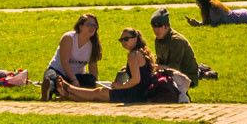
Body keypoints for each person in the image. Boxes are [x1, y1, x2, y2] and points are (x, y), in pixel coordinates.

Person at [47, 27, 177, 104]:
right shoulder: (143, 51)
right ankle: (67, 93)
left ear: (135, 38)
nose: (123, 42)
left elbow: (136, 80)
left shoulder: (133, 55)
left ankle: (68, 88)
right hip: (142, 91)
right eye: (121, 40)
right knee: (98, 94)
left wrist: (120, 86)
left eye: (126, 39)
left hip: (134, 93)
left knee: (98, 93)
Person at [149, 7, 215, 84]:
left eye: (158, 27)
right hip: (170, 74)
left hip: (187, 77)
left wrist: (154, 67)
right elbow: (160, 60)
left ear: (166, 26)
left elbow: (173, 68)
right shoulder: (158, 39)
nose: (155, 30)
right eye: (154, 27)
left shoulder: (176, 41)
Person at [48, 14, 103, 89]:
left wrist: (95, 86)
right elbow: (65, 62)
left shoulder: (93, 45)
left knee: (91, 80)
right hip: (58, 71)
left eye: (94, 25)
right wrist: (74, 80)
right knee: (52, 78)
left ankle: (64, 90)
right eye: (89, 24)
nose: (92, 27)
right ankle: (50, 86)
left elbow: (93, 68)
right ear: (80, 26)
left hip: (77, 76)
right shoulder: (69, 38)